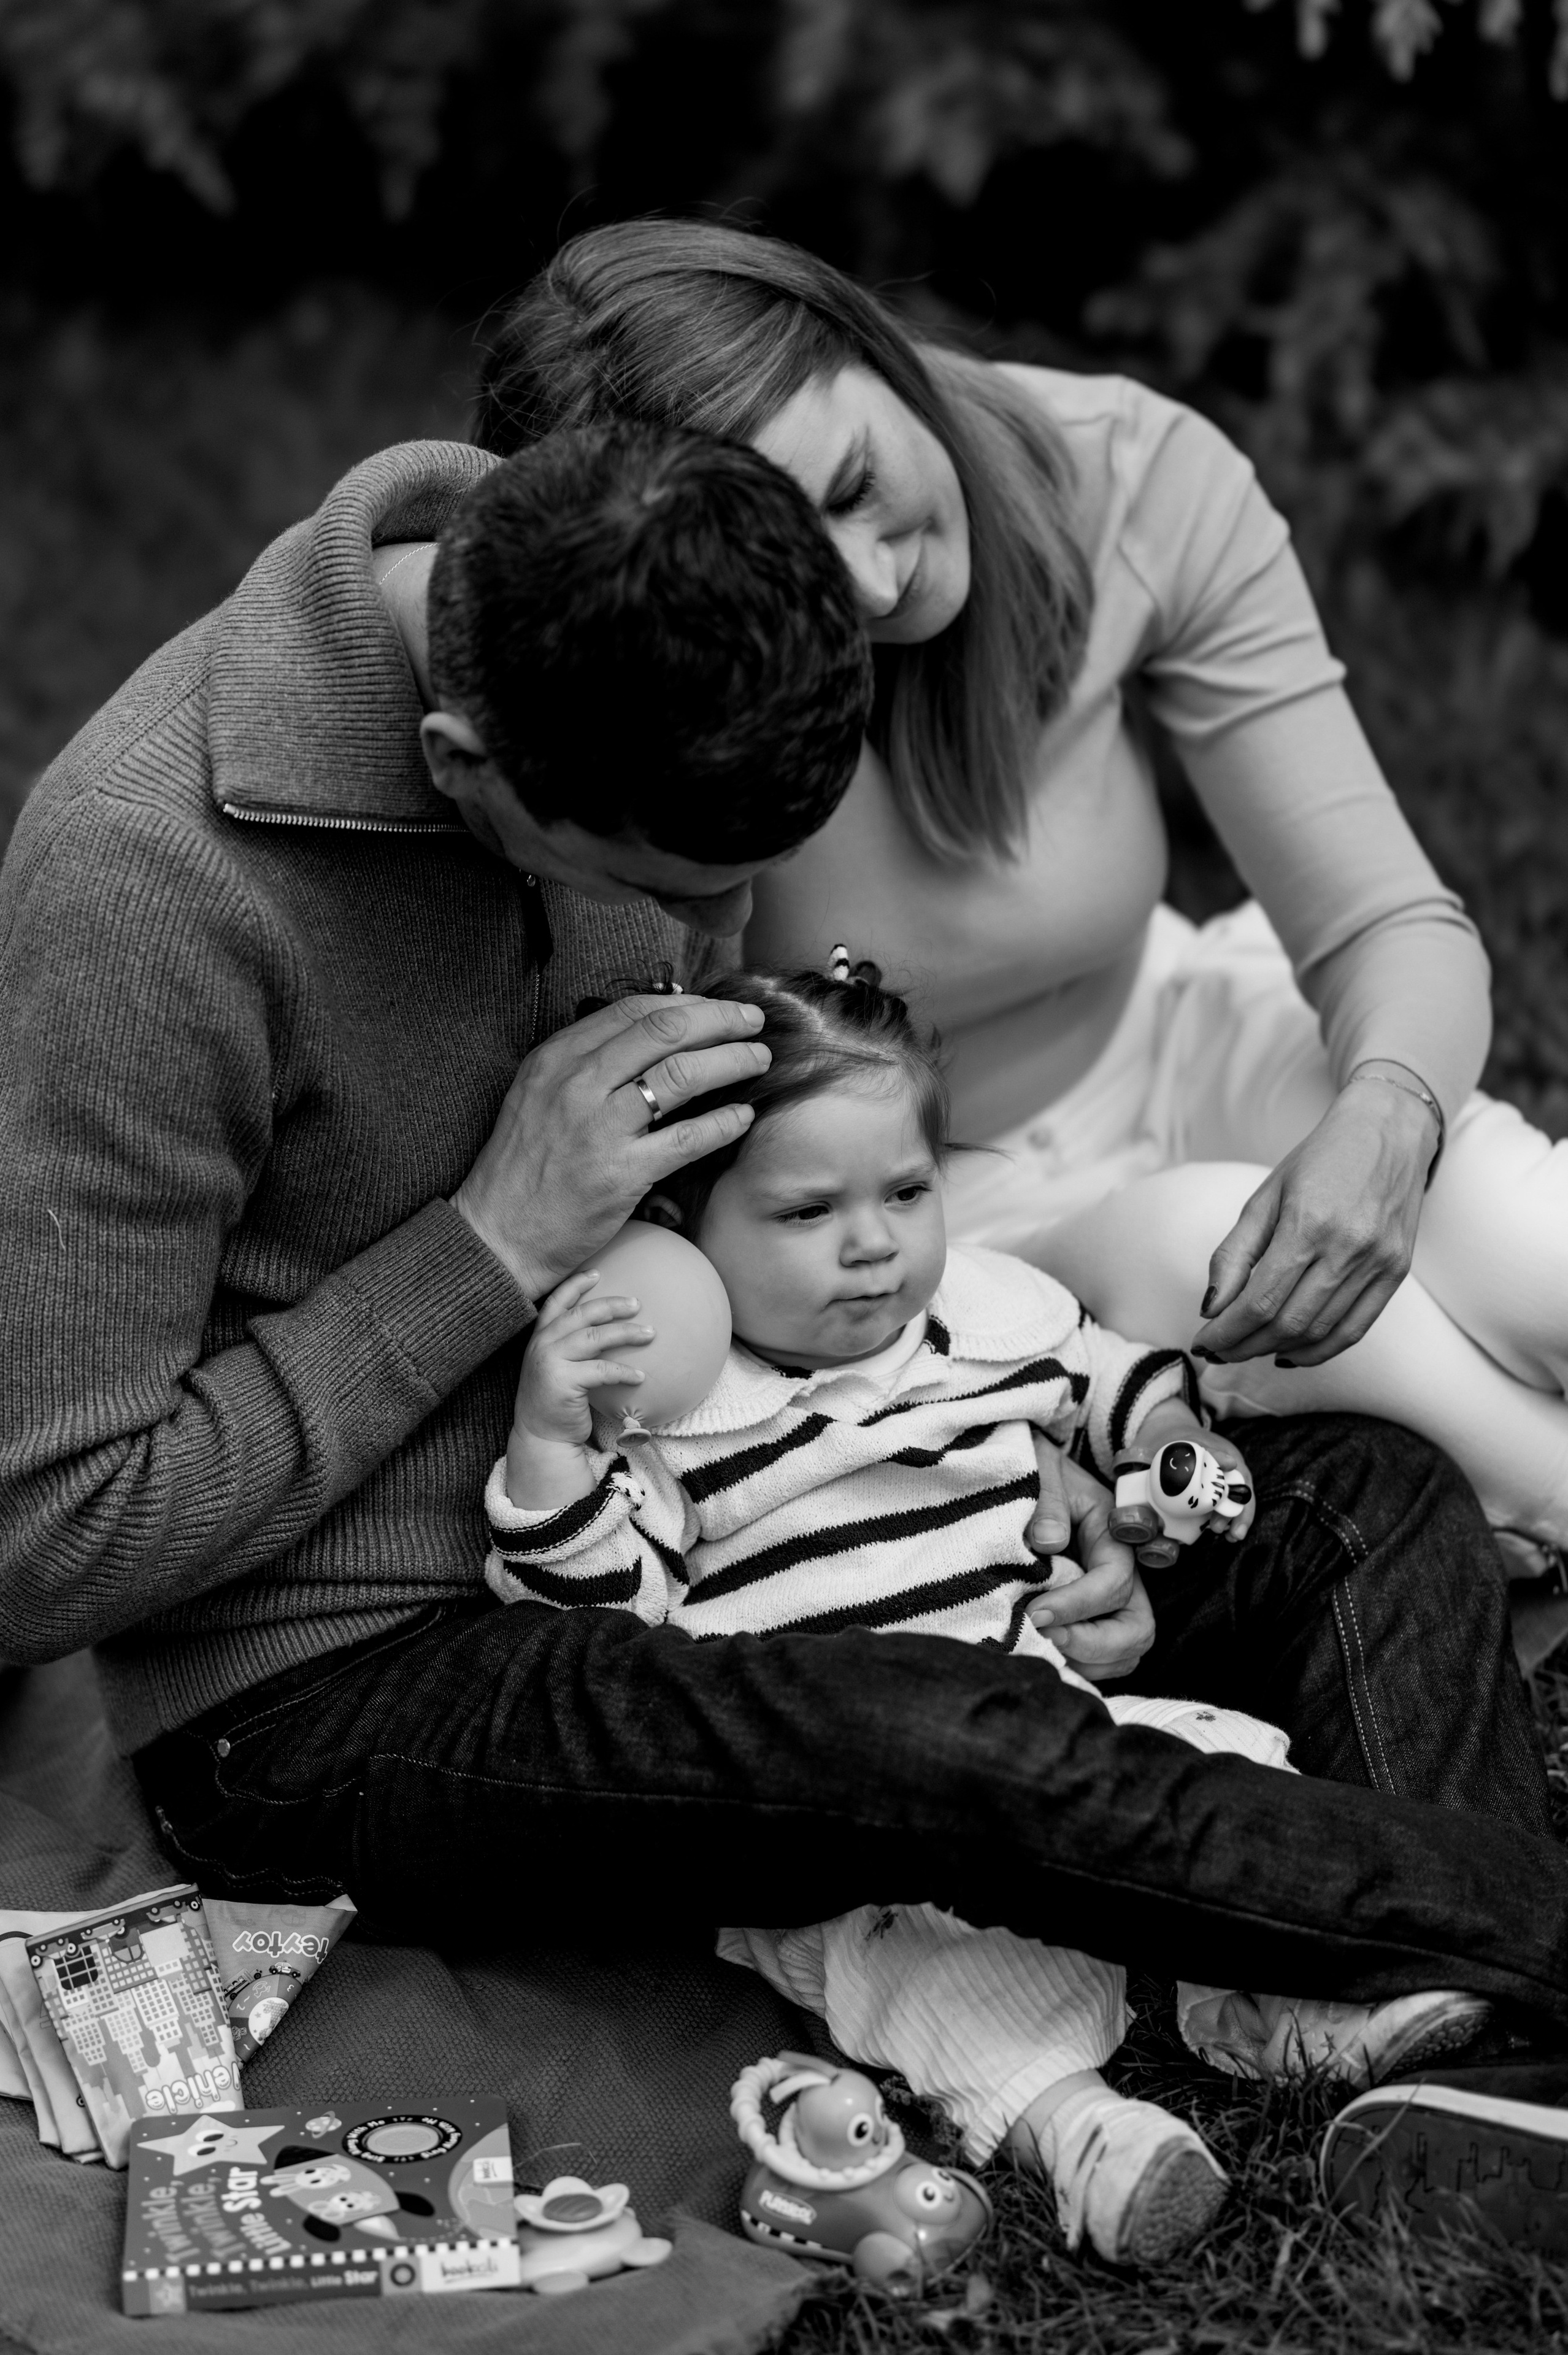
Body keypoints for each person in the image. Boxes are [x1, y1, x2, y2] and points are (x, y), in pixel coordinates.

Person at [0, 398, 1567, 2109]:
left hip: (769, 1484)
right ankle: (1508, 1936)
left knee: (1369, 1498)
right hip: (350, 1670)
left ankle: (1442, 2011)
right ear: (466, 770)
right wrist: (488, 1241)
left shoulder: (653, 629)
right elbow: (45, 1536)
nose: (718, 938)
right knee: (941, 1736)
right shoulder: (144, 897)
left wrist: (1009, 1446)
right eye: (671, 886)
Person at [473, 218, 1568, 1557]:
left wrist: (1387, 1125)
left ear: (862, 335)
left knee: (1529, 1244)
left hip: (1169, 1028)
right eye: (801, 571)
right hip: (936, 1204)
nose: (871, 582)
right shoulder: (657, 691)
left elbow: (1381, 919)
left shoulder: (1129, 477)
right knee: (1230, 1257)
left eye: (858, 481)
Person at [482, 955, 1491, 2266]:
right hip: (856, 1826)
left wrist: (1176, 1444)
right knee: (943, 1977)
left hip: (1061, 1731)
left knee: (1235, 1773)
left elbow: (1109, 1379)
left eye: (905, 1191)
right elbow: (600, 1629)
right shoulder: (689, 1416)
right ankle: (1079, 2132)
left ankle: (1272, 1998)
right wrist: (554, 1442)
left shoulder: (985, 1319)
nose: (871, 1242)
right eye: (803, 1211)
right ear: (683, 1228)